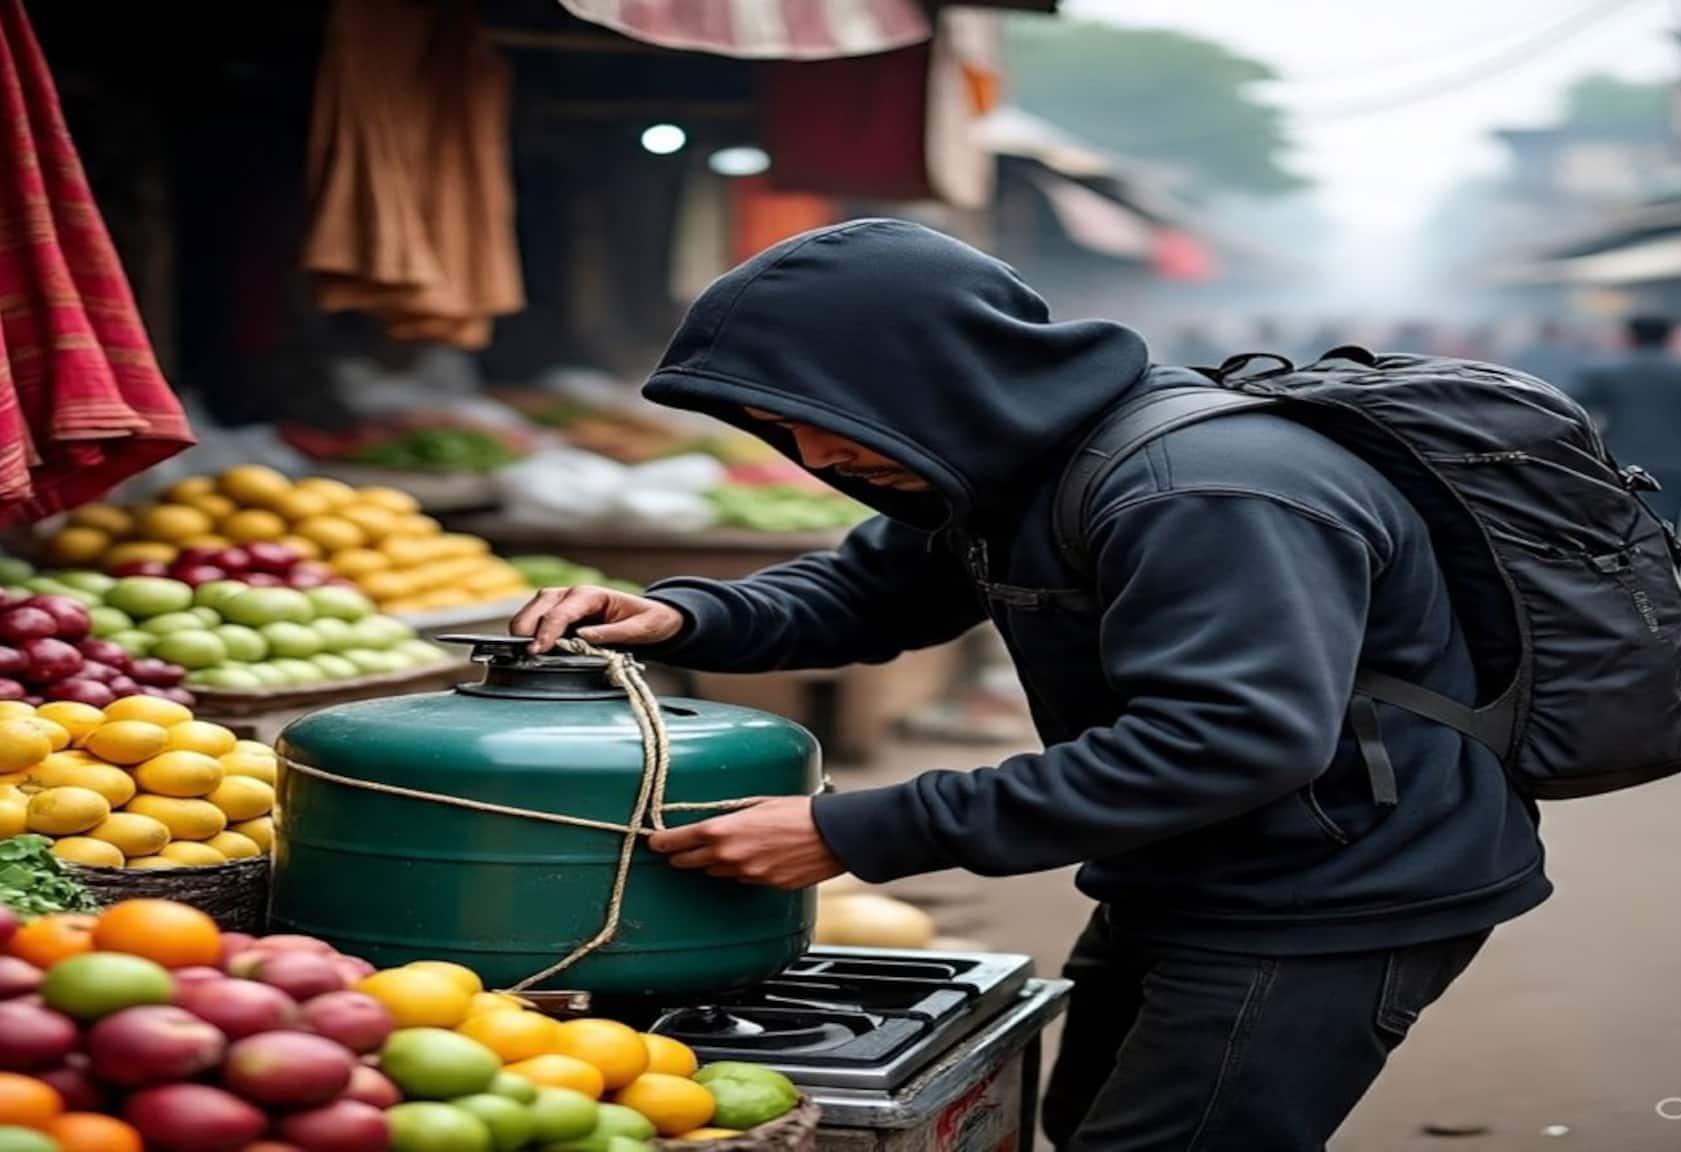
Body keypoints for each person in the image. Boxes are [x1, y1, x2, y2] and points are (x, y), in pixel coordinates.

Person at [511, 220, 1550, 1150]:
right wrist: (685, 614)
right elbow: (870, 594)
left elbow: (1228, 740)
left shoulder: (1201, 487)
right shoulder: (1005, 464)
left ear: (942, 372)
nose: (813, 451)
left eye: (831, 417)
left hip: (1335, 884)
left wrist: (857, 829)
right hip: (1190, 861)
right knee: (1080, 1115)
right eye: (778, 427)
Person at [1571, 315, 1681, 531]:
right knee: (1671, 528)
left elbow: (1575, 410)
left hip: (1621, 461)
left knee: (1624, 529)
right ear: (1670, 337)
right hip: (1678, 462)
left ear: (1629, 337)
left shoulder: (1602, 373)